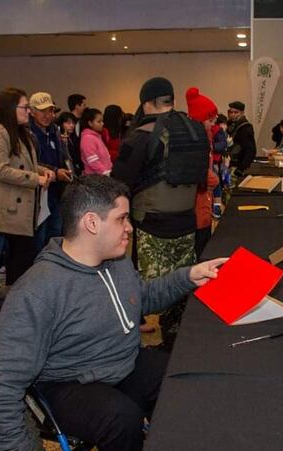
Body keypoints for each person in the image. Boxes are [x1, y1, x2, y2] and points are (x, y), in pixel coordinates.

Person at [0, 174, 226, 451]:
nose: (130, 228)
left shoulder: (116, 261)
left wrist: (189, 276)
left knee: (180, 377)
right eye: (122, 219)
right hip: (65, 382)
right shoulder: (40, 290)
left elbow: (141, 298)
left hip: (118, 364)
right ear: (91, 223)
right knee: (121, 420)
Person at [112, 77, 209, 348]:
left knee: (154, 292)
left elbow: (120, 181)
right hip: (187, 224)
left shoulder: (143, 135)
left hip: (153, 228)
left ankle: (147, 349)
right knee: (183, 285)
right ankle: (175, 345)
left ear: (146, 103)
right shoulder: (194, 130)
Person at [0, 87, 56, 286]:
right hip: (9, 204)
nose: (28, 111)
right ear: (11, 108)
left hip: (24, 203)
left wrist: (41, 171)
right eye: (24, 107)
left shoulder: (22, 133)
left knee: (23, 256)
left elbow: (25, 163)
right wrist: (34, 178)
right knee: (17, 257)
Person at [28, 91, 72, 250]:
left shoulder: (55, 131)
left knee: (55, 233)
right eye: (43, 111)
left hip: (57, 191)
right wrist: (54, 171)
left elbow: (64, 156)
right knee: (39, 235)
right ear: (32, 111)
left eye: (51, 111)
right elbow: (30, 163)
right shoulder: (28, 133)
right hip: (38, 191)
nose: (48, 115)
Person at [185, 87, 220, 258]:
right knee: (201, 245)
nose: (213, 125)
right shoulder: (196, 140)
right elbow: (199, 170)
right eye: (210, 120)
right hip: (198, 202)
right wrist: (213, 179)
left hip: (204, 198)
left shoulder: (204, 137)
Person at [225, 100, 256, 177]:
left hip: (237, 164)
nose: (232, 115)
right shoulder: (228, 124)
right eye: (231, 112)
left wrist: (241, 168)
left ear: (242, 113)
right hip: (229, 162)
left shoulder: (245, 128)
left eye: (236, 112)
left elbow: (250, 149)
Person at [80, 108, 112, 175]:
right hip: (96, 178)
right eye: (99, 121)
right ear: (90, 123)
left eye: (102, 121)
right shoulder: (87, 138)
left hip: (102, 176)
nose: (102, 124)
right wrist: (105, 173)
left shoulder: (96, 136)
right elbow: (93, 161)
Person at [56, 111, 82, 175]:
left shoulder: (73, 137)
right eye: (68, 123)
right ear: (61, 124)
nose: (72, 125)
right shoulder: (59, 138)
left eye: (73, 123)